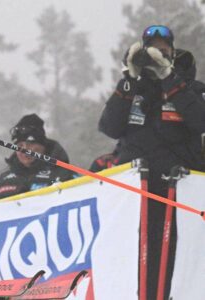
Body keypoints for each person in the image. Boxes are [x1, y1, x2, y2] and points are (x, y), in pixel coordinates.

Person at [99, 25, 205, 299]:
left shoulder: (190, 88)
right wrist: (129, 77)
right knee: (133, 263)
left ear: (173, 51)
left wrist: (168, 77)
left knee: (176, 265)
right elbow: (109, 127)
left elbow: (200, 121)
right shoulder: (133, 88)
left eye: (164, 48)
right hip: (135, 196)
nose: (158, 53)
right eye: (152, 48)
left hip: (179, 194)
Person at [0, 114, 77, 202]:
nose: (24, 149)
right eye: (20, 145)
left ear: (42, 146)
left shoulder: (63, 174)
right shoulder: (3, 180)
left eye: (30, 144)